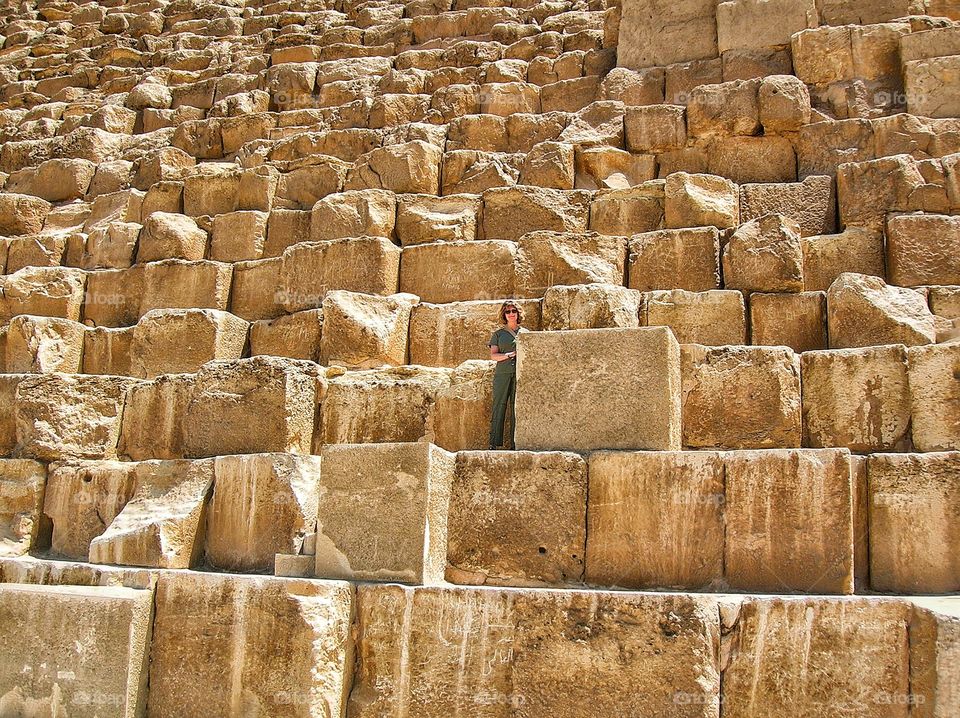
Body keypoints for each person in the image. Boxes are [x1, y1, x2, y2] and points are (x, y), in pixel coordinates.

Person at [488, 300, 524, 449]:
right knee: (499, 405)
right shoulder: (498, 334)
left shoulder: (525, 333)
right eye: (507, 311)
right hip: (502, 373)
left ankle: (515, 444)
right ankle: (493, 443)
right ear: (504, 315)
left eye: (513, 311)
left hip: (520, 374)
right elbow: (493, 356)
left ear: (518, 313)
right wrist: (509, 355)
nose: (511, 314)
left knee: (517, 408)